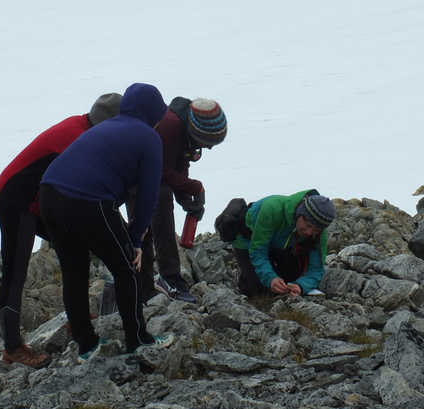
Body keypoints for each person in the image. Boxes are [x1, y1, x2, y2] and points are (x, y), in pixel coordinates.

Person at [39, 83, 173, 360]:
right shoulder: (149, 137)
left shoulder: (106, 126)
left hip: (49, 193)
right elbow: (149, 196)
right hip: (89, 200)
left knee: (74, 271)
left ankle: (87, 345)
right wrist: (135, 240)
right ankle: (138, 340)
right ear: (154, 114)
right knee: (127, 268)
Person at [0, 92, 122, 368]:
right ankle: (13, 347)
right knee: (15, 271)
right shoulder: (75, 138)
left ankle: (78, 322)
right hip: (16, 201)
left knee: (76, 250)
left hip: (41, 203)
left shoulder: (85, 129)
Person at [144, 97, 227, 303]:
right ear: (197, 133)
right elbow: (162, 172)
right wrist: (195, 187)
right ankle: (164, 279)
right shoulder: (169, 126)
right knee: (160, 200)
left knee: (160, 200)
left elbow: (179, 166)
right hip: (130, 173)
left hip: (149, 175)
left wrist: (186, 200)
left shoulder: (184, 130)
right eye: (207, 143)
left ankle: (155, 281)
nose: (208, 149)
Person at [230, 189, 336, 297]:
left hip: (281, 244)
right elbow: (258, 251)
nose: (309, 232)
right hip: (248, 241)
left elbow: (316, 269)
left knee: (289, 281)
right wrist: (271, 278)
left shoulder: (318, 234)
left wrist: (300, 286)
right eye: (308, 225)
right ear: (300, 213)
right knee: (258, 289)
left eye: (316, 230)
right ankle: (244, 275)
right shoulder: (271, 209)